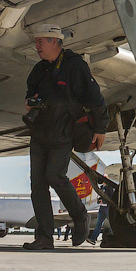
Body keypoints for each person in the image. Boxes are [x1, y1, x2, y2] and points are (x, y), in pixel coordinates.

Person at [23, 24, 107, 251]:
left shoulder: (74, 66)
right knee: (37, 184)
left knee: (54, 175)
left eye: (41, 41)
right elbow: (29, 98)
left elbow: (94, 98)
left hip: (63, 132)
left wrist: (100, 127)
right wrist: (32, 103)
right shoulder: (39, 70)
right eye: (37, 41)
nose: (37, 45)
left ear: (54, 42)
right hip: (40, 132)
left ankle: (80, 216)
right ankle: (45, 237)